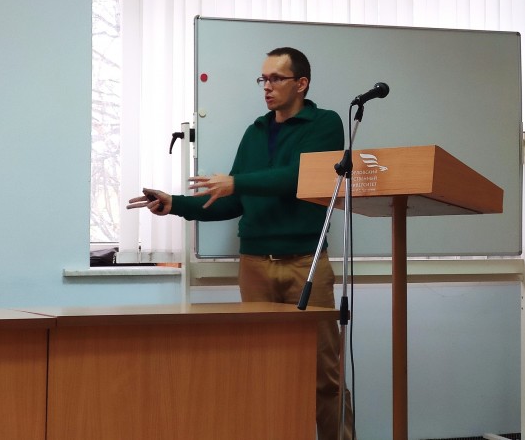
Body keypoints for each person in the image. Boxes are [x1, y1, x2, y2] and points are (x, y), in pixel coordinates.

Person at [128, 47, 355, 440]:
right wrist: (175, 204)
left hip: (306, 263)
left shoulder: (325, 123)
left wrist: (236, 182)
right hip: (255, 265)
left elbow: (298, 177)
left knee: (324, 374)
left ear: (301, 83)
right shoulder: (255, 132)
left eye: (276, 78)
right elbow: (232, 201)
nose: (266, 86)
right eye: (263, 79)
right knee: (263, 370)